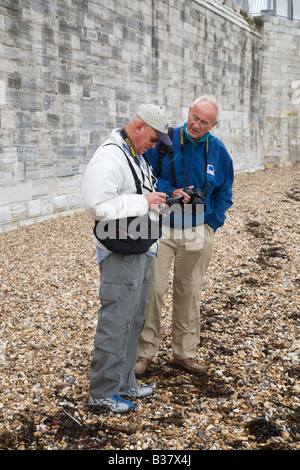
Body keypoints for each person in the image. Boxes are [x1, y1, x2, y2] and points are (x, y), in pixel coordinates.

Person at [82, 104, 172, 413]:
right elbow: (96, 205)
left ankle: (124, 384)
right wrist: (143, 201)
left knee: (134, 319)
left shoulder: (133, 154)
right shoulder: (110, 156)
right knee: (116, 321)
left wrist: (160, 202)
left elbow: (138, 196)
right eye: (154, 139)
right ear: (139, 128)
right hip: (121, 253)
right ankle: (102, 393)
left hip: (140, 248)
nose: (154, 145)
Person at [135, 96, 234, 376]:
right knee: (153, 289)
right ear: (188, 112)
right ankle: (144, 352)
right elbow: (147, 175)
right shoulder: (165, 140)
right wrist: (171, 192)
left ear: (213, 124)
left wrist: (212, 224)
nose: (197, 124)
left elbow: (225, 192)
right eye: (195, 117)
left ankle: (185, 352)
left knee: (190, 291)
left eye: (205, 122)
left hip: (198, 228)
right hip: (163, 223)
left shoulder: (218, 151)